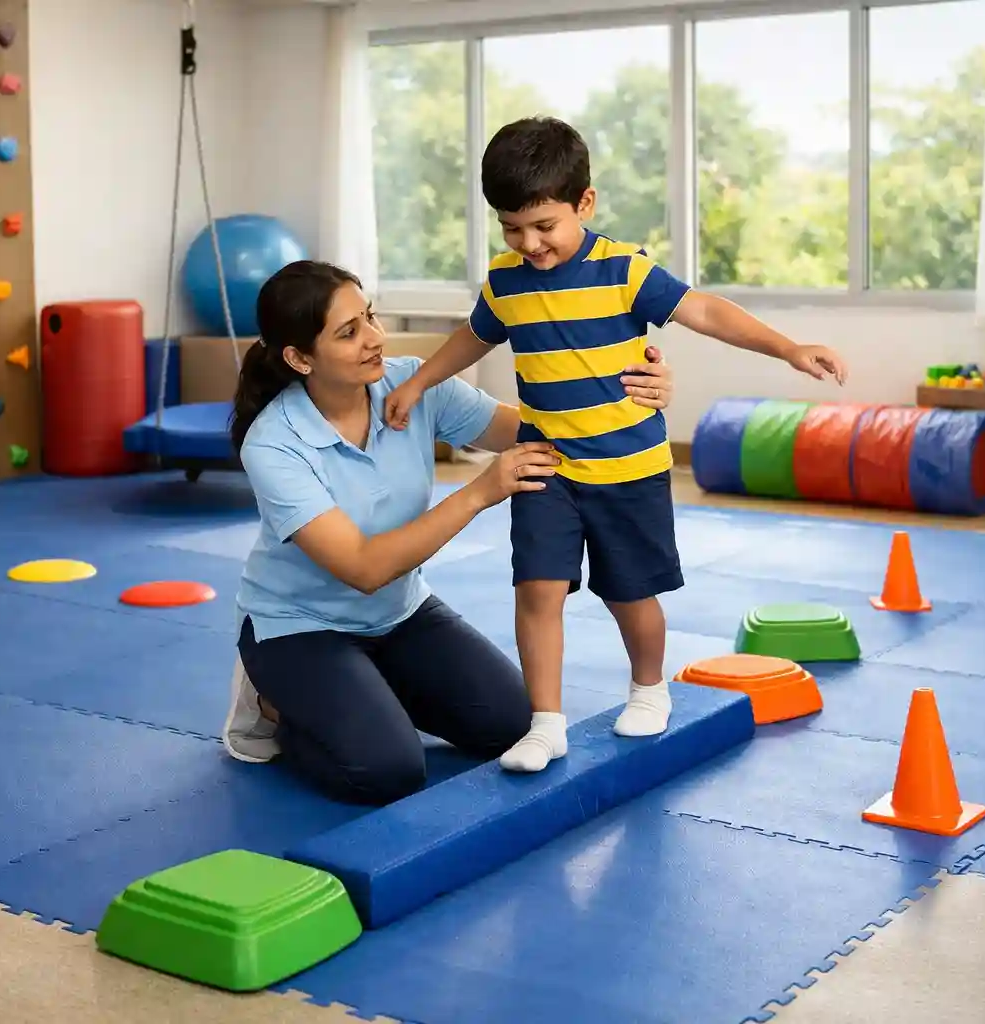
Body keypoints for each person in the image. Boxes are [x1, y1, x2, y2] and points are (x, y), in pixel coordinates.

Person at [384, 116, 849, 774]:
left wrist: (787, 347)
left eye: (544, 226)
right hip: (548, 466)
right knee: (536, 589)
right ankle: (546, 722)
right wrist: (423, 383)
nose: (530, 244)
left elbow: (707, 311)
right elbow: (474, 335)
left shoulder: (623, 269)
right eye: (512, 228)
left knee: (629, 592)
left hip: (628, 468)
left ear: (585, 204)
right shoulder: (507, 281)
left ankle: (649, 686)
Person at [220, 259, 677, 806]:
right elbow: (363, 568)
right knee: (387, 770)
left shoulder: (413, 386)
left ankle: (367, 689)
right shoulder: (273, 443)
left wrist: (633, 393)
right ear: (299, 358)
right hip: (300, 627)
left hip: (401, 613)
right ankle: (270, 705)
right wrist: (481, 491)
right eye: (349, 332)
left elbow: (539, 430)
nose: (374, 338)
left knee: (514, 723)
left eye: (369, 317)